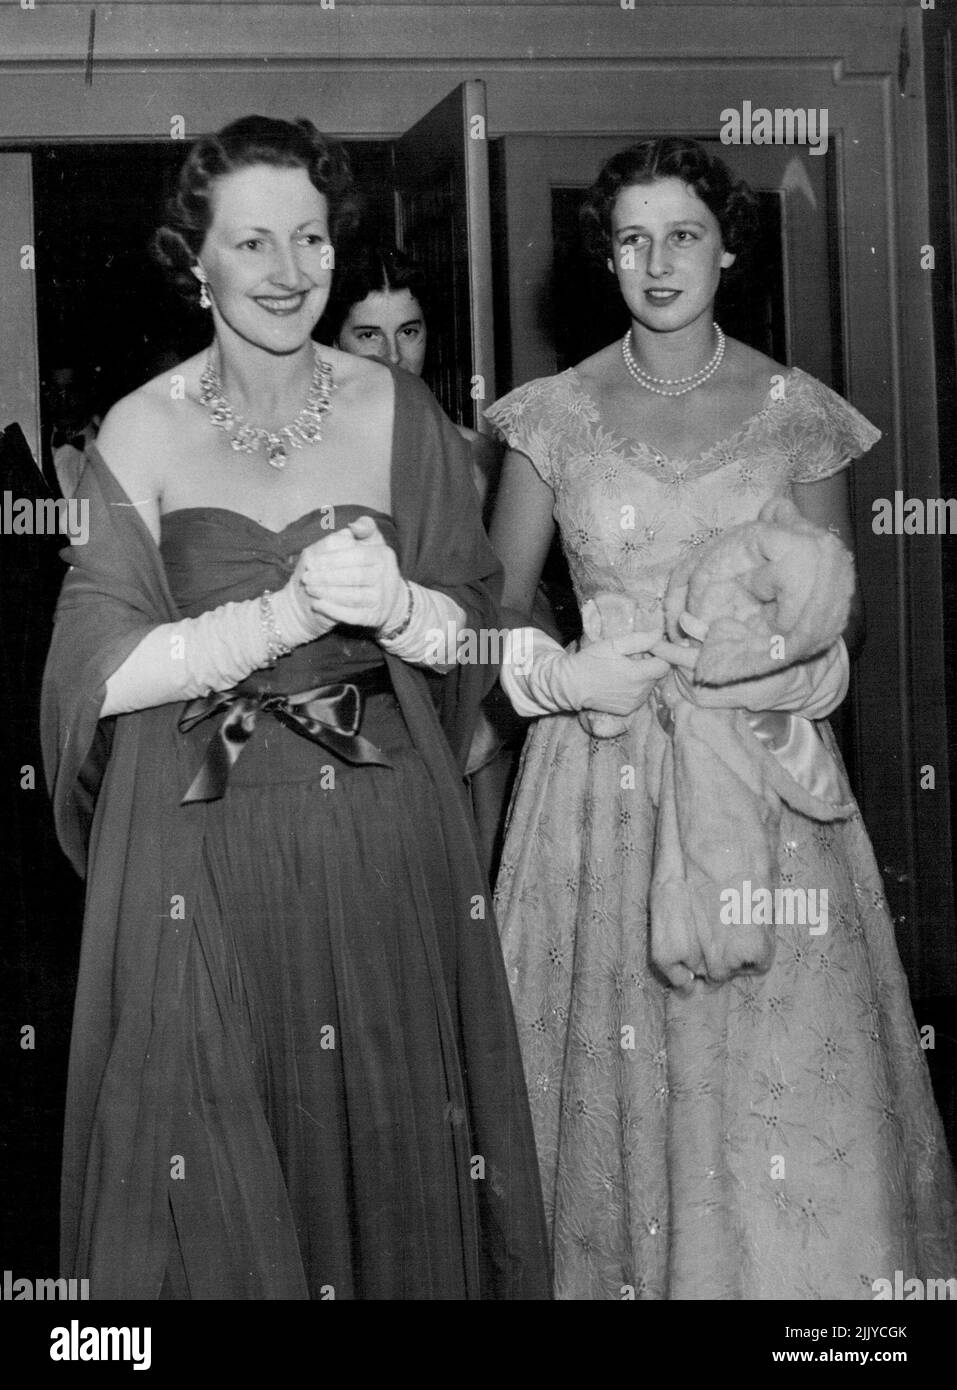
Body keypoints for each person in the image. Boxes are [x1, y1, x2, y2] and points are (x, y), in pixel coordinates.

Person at [41, 115, 549, 1301]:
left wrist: (408, 603)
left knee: (382, 1154)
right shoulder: (142, 427)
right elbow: (91, 680)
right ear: (196, 261)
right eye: (254, 243)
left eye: (311, 239)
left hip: (376, 836)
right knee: (196, 1172)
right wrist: (274, 621)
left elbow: (478, 637)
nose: (288, 271)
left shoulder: (398, 412)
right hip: (195, 843)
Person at [485, 136, 957, 1299]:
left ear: (728, 248)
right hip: (595, 785)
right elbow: (488, 619)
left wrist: (797, 677)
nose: (658, 261)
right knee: (611, 1091)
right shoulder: (550, 416)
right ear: (608, 256)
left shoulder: (799, 413)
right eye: (632, 238)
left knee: (771, 1082)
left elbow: (836, 622)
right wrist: (567, 668)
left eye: (683, 234)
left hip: (757, 784)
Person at [323, 242, 500, 505]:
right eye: (369, 335)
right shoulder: (310, 453)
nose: (393, 355)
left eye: (408, 332)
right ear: (336, 343)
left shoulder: (477, 454)